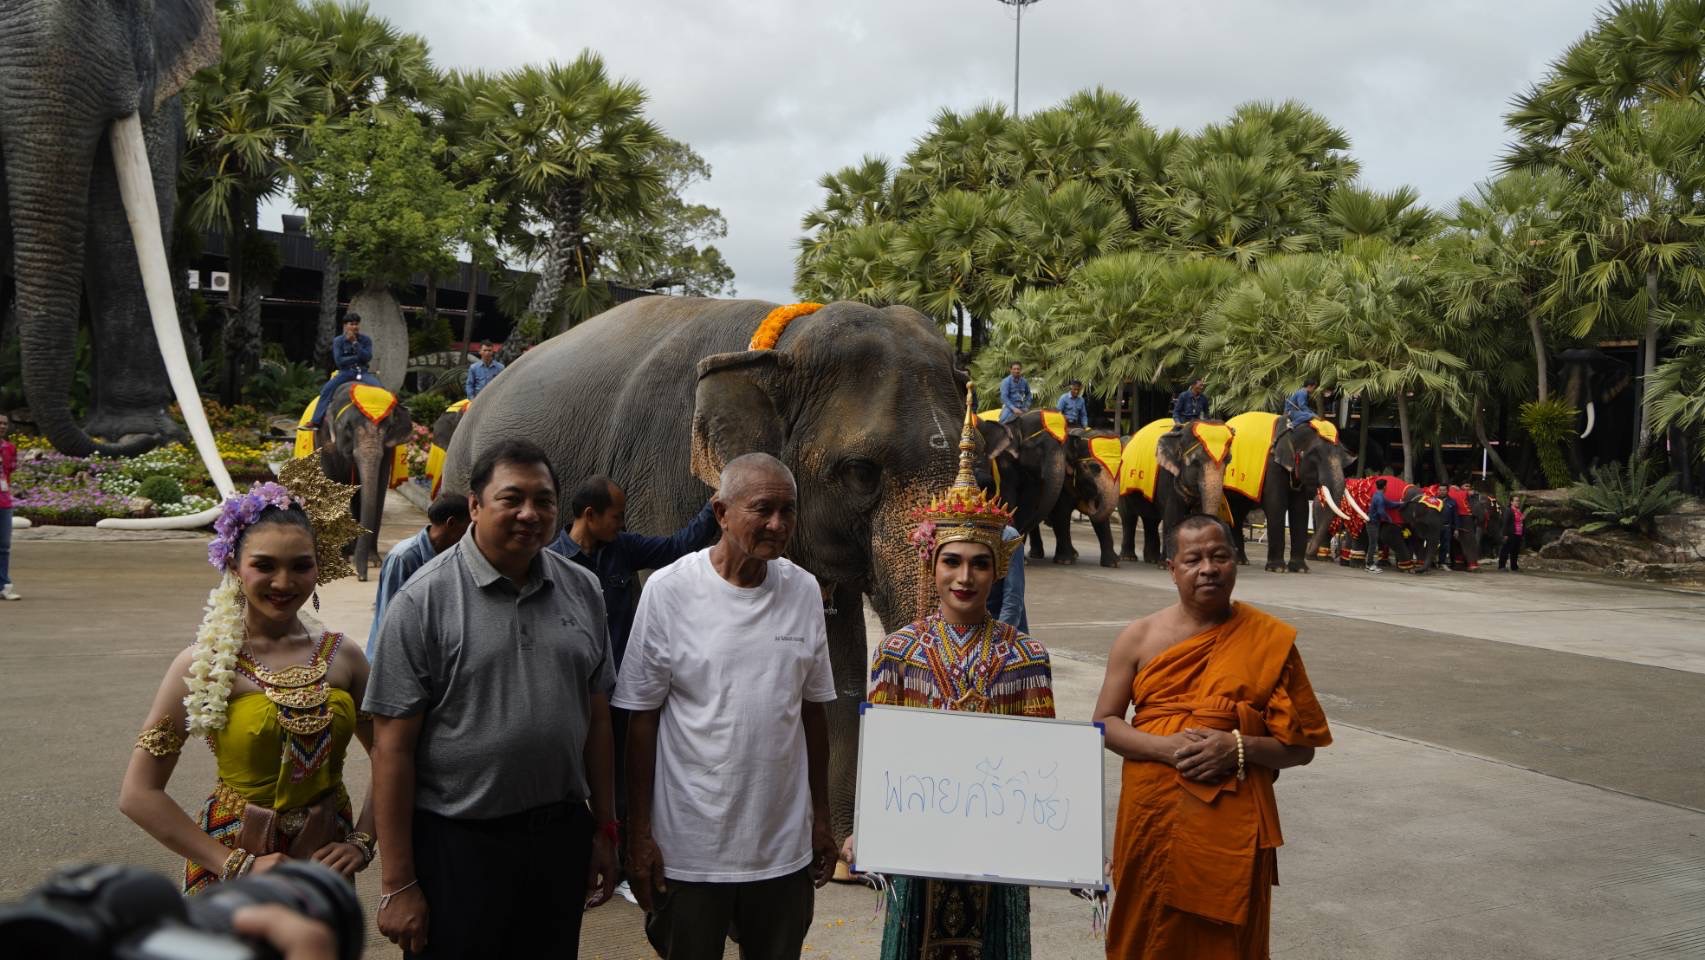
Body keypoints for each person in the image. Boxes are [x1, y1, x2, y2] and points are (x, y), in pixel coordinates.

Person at [365, 440, 619, 958]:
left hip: (558, 836)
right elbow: (391, 750)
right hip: (457, 843)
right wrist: (398, 882)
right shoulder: (422, 600)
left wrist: (606, 828)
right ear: (475, 506)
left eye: (544, 500)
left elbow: (595, 718)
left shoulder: (583, 589)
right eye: (513, 499)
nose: (530, 513)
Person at [847, 398, 1054, 959]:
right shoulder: (898, 653)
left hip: (998, 846)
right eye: (952, 561)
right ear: (931, 565)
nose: (965, 577)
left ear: (998, 569)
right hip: (921, 841)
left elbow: (1041, 765)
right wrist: (868, 825)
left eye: (980, 563)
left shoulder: (1027, 658)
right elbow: (884, 752)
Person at [615, 453, 838, 959]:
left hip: (782, 850)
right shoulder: (668, 591)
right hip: (691, 852)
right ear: (720, 512)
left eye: (788, 511)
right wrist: (639, 836)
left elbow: (813, 713)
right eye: (763, 509)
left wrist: (821, 818)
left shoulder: (803, 590)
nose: (778, 525)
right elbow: (641, 722)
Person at [119, 471, 377, 894]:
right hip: (232, 863)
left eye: (300, 566)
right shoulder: (203, 665)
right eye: (264, 565)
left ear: (319, 567)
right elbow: (139, 793)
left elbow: (389, 752)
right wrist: (233, 863)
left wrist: (363, 841)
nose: (283, 582)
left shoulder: (344, 655)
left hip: (326, 863)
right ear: (234, 566)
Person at [1094, 514, 1331, 958]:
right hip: (1152, 816)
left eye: (1220, 556)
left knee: (1224, 941)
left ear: (1236, 562)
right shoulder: (1139, 637)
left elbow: (1302, 748)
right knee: (1146, 932)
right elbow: (1105, 723)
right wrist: (1164, 748)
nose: (1208, 568)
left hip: (1232, 824)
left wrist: (1237, 747)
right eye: (1194, 559)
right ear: (1172, 568)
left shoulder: (1268, 640)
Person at [366, 494, 471, 655]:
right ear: (451, 523)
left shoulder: (454, 555)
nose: (471, 534)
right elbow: (390, 618)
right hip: (396, 656)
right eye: (469, 527)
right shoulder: (403, 558)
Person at [307, 314, 375, 430]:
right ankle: (316, 421)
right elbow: (339, 362)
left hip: (363, 372)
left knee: (381, 389)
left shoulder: (365, 340)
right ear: (345, 326)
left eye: (356, 324)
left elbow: (368, 357)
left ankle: (385, 422)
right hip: (345, 372)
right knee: (326, 390)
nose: (354, 327)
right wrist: (358, 357)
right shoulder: (338, 341)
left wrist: (355, 344)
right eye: (351, 324)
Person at [986, 525, 1028, 633]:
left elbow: (1013, 595)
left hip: (996, 625)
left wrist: (1002, 635)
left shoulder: (1007, 536)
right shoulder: (942, 529)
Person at [1365, 478, 1399, 574]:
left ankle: (1369, 563)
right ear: (1385, 487)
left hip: (1374, 523)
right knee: (1372, 544)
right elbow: (1381, 511)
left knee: (1373, 543)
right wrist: (1389, 519)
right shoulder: (1379, 497)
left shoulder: (1378, 495)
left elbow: (1389, 504)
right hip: (1373, 523)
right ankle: (1369, 564)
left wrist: (1400, 504)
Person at [0, 412, 17, 601]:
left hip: (4, 502)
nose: (2, 426)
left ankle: (3, 585)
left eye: (4, 423)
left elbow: (9, 472)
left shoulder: (9, 448)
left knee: (4, 546)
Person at [1499, 495, 1526, 572]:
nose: (1518, 502)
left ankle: (1514, 567)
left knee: (1515, 551)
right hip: (1510, 534)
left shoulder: (1519, 511)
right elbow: (1505, 523)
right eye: (1516, 500)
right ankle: (1501, 566)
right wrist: (1505, 534)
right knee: (1505, 550)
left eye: (1518, 501)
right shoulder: (1509, 510)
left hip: (1518, 534)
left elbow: (1522, 522)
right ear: (1511, 502)